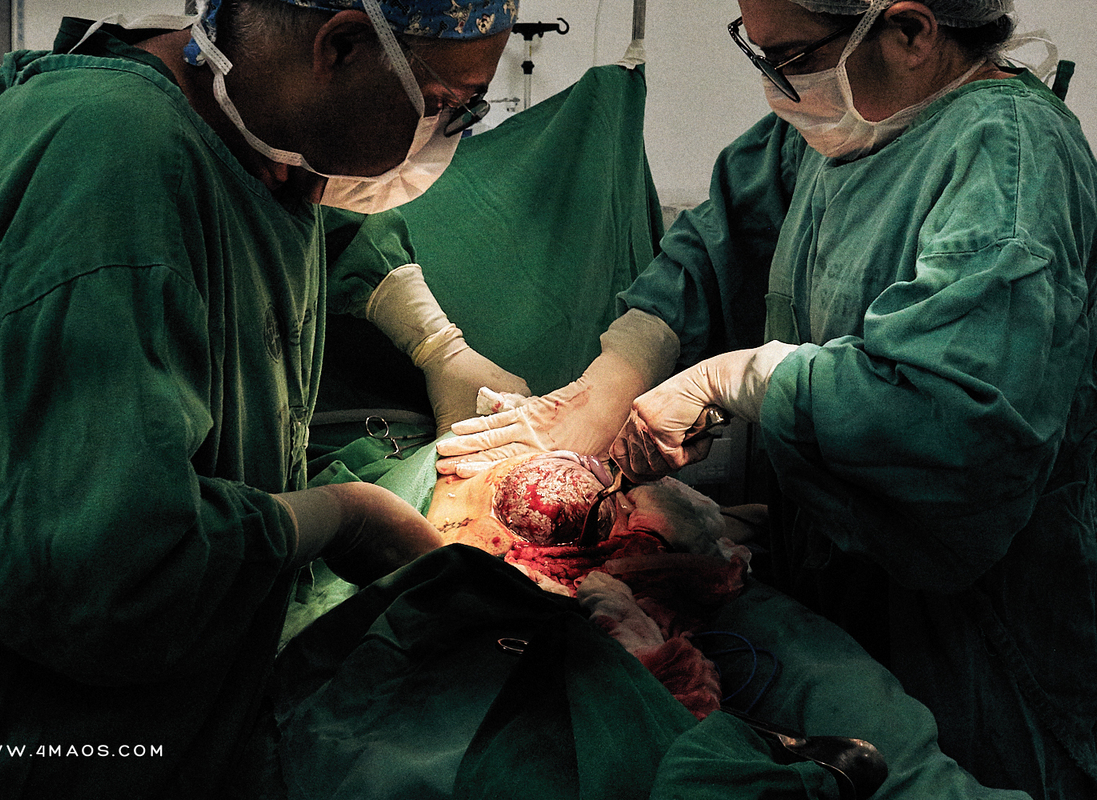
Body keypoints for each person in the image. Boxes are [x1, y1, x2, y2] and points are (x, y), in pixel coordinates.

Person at [437, 0, 1097, 797]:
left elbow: (955, 417)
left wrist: (741, 381)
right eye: (756, 49)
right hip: (845, 574)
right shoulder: (840, 128)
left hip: (982, 607)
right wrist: (609, 380)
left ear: (914, 31)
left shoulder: (1013, 157)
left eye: (791, 54)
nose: (774, 84)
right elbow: (716, 245)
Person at [0, 0, 515, 796]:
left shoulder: (256, 143)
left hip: (170, 721)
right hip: (34, 753)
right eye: (445, 103)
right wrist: (337, 517)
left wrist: (439, 345)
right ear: (343, 45)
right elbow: (101, 576)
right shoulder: (111, 162)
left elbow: (316, 231)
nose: (449, 131)